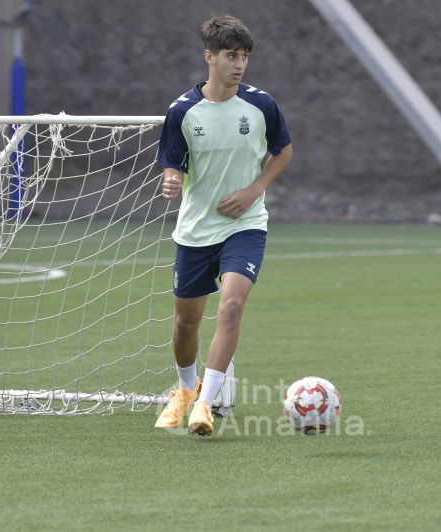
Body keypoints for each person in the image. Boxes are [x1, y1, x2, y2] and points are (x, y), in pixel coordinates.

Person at [154, 14, 292, 436]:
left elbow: (283, 152)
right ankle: (184, 391)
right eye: (232, 56)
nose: (240, 64)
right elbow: (171, 164)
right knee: (186, 324)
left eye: (245, 56)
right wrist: (170, 179)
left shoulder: (262, 104)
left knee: (231, 307)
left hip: (245, 226)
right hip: (196, 230)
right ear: (209, 57)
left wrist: (254, 190)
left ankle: (207, 405)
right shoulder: (182, 112)